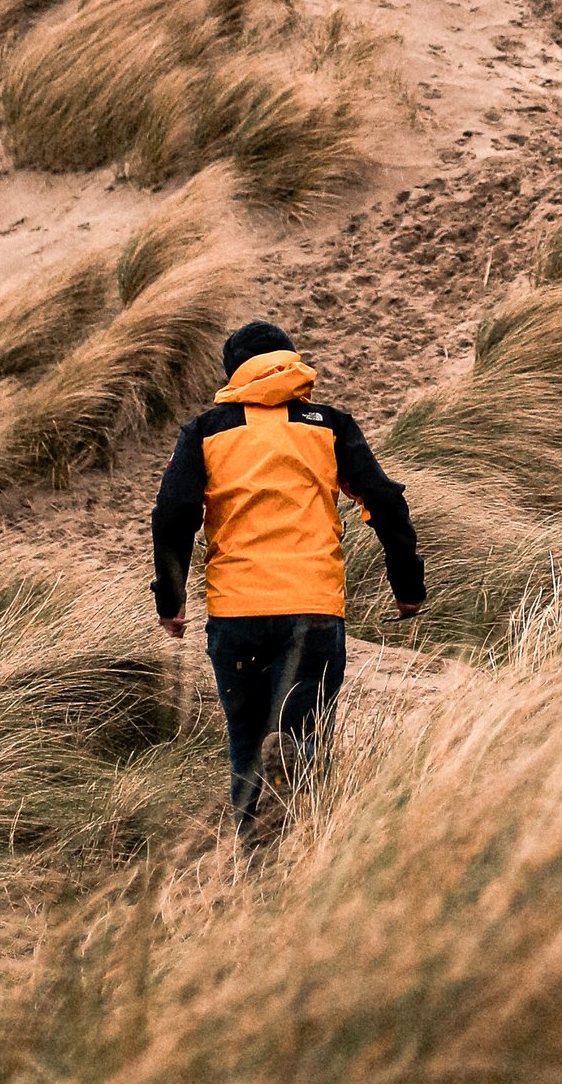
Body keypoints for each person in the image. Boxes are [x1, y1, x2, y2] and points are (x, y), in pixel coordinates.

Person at [152, 318, 425, 838]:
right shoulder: (330, 425)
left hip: (237, 613)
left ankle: (256, 859)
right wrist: (408, 587)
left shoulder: (207, 431)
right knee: (305, 735)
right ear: (292, 364)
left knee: (247, 741)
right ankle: (305, 845)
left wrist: (171, 600)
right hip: (312, 608)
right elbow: (385, 500)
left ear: (233, 375)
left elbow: (173, 513)